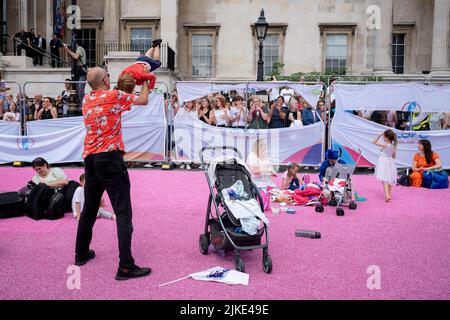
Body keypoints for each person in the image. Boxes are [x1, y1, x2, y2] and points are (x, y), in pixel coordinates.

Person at [75, 67, 152, 281]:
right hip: (110, 158)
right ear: (105, 80)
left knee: (89, 209)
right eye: (108, 76)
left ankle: (81, 253)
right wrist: (145, 80)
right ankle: (126, 266)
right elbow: (143, 100)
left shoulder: (86, 99)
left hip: (90, 159)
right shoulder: (113, 95)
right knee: (123, 211)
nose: (111, 78)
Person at [373, 129, 398, 202]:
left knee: (384, 179)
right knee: (388, 178)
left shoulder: (385, 145)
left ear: (386, 137)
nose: (383, 138)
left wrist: (380, 135)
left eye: (383, 136)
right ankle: (388, 194)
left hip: (383, 162)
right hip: (390, 162)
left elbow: (373, 142)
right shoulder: (393, 146)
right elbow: (394, 157)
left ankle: (387, 195)